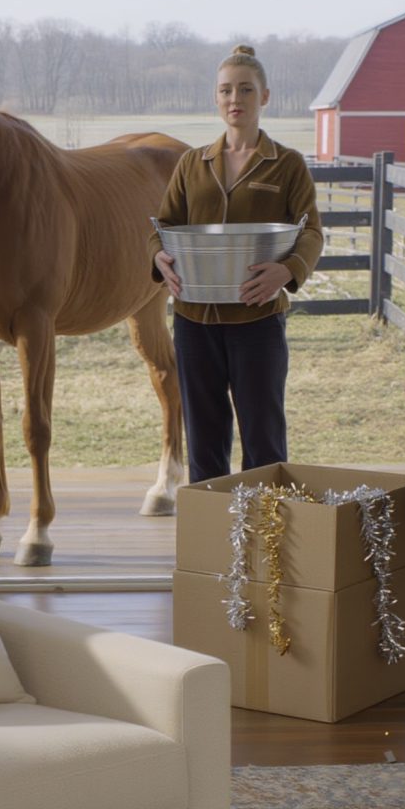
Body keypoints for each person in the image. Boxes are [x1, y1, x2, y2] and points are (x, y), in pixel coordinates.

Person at [150, 44, 324, 482]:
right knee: (204, 443)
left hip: (258, 321)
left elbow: (312, 232)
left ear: (264, 97)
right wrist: (157, 256)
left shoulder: (287, 165)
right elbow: (163, 226)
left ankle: (267, 542)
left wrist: (288, 270)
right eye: (226, 90)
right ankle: (212, 545)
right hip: (195, 322)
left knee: (264, 441)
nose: (235, 99)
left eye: (245, 90)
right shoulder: (192, 164)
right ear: (216, 98)